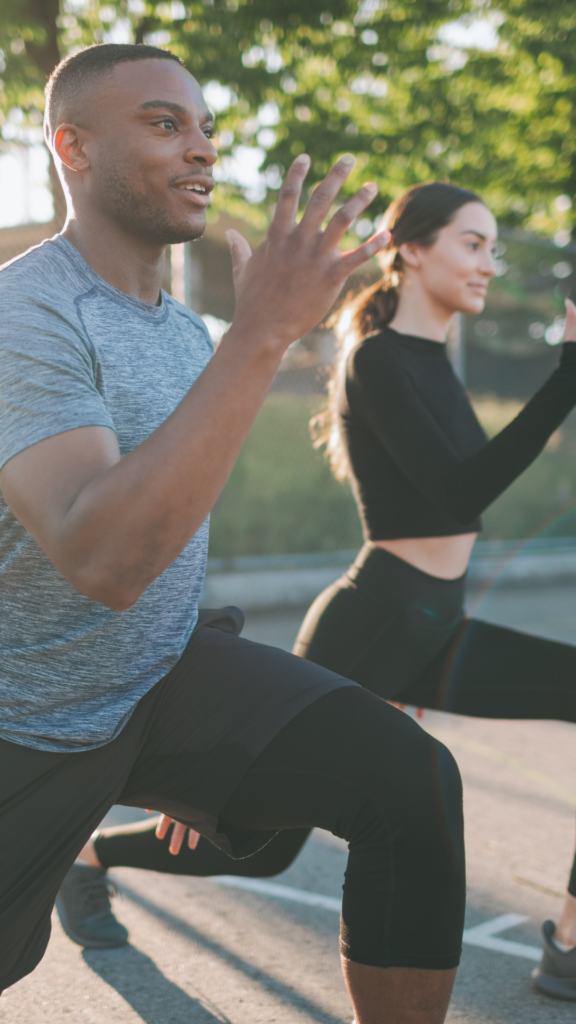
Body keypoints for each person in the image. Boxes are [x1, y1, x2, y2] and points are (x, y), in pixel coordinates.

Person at [0, 42, 465, 1024]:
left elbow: (172, 527)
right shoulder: (24, 313)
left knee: (410, 780)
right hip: (24, 721)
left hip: (157, 683)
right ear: (72, 148)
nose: (201, 149)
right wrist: (264, 333)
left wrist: (203, 705)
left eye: (206, 128)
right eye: (165, 125)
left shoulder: (180, 331)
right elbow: (104, 559)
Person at [56, 181, 576, 1005]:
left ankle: (571, 943)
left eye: (493, 246)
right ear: (412, 248)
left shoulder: (435, 361)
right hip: (374, 622)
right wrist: (566, 377)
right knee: (262, 845)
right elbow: (457, 497)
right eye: (472, 243)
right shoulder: (376, 360)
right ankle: (89, 855)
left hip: (436, 626)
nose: (489, 261)